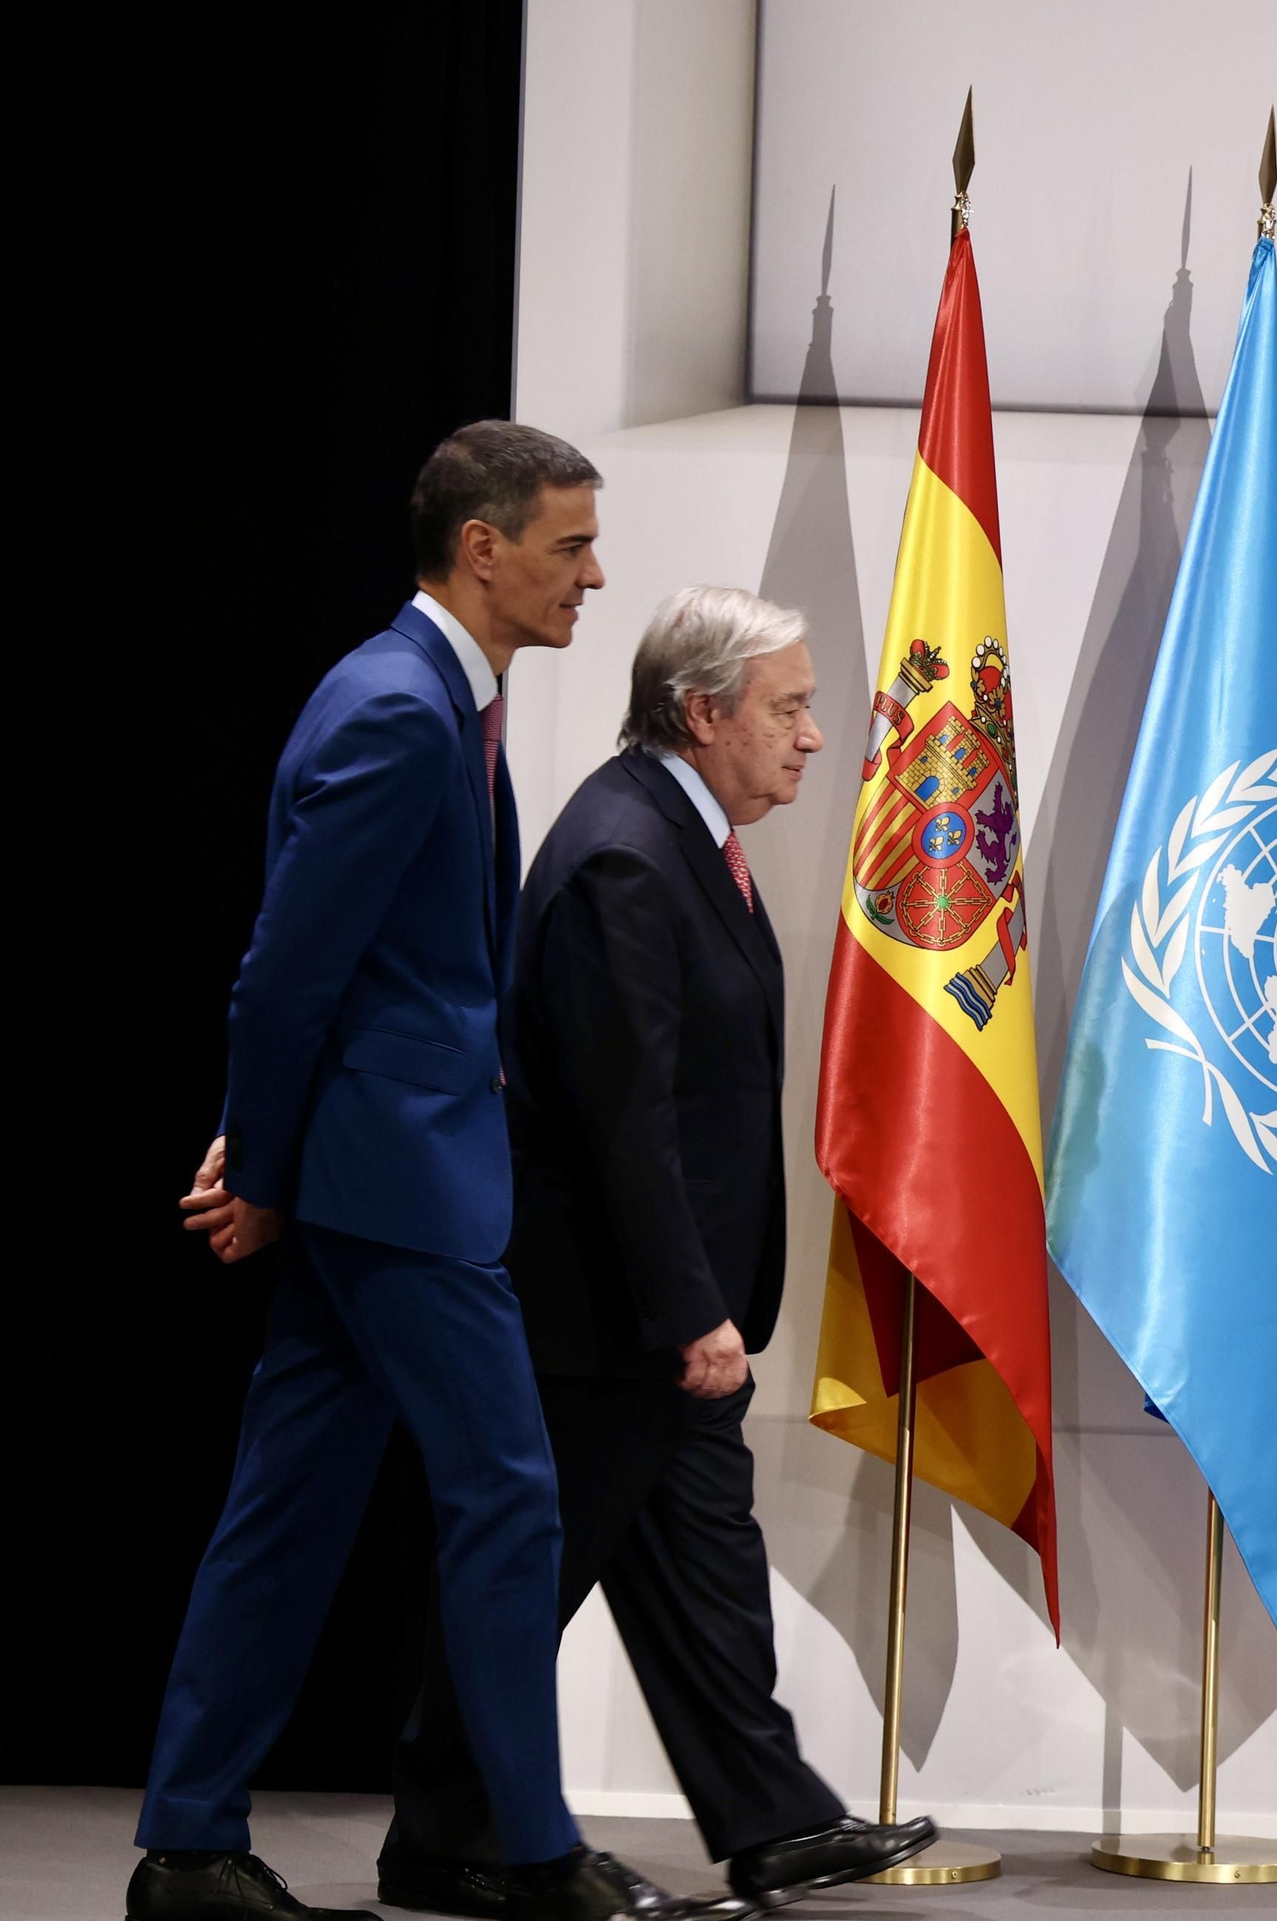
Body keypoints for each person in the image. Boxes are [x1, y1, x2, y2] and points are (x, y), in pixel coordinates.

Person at [131, 423, 716, 1921]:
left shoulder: (433, 698)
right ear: (484, 549)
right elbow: (286, 973)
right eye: (571, 545)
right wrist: (260, 1160)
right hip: (394, 1188)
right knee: (509, 1493)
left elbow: (364, 969)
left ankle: (190, 1844)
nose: (594, 574)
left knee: (289, 1503)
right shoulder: (402, 710)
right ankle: (525, 1852)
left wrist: (275, 1151)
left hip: (381, 1173)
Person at [379, 587, 938, 1918]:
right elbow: (623, 1117)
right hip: (605, 1313)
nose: (814, 736)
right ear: (704, 713)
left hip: (664, 1311)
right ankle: (449, 1836)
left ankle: (773, 1819)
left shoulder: (684, 838)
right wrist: (693, 1308)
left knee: (700, 1559)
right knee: (536, 1570)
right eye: (789, 707)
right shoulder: (628, 854)